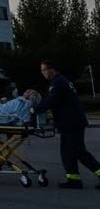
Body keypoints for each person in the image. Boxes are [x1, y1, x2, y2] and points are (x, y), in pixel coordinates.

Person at [31, 59, 100, 189]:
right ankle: (74, 180)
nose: (42, 73)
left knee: (79, 152)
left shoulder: (58, 82)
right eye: (41, 70)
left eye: (44, 70)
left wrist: (35, 109)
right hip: (69, 122)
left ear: (52, 69)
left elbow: (52, 100)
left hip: (71, 122)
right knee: (67, 153)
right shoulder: (62, 80)